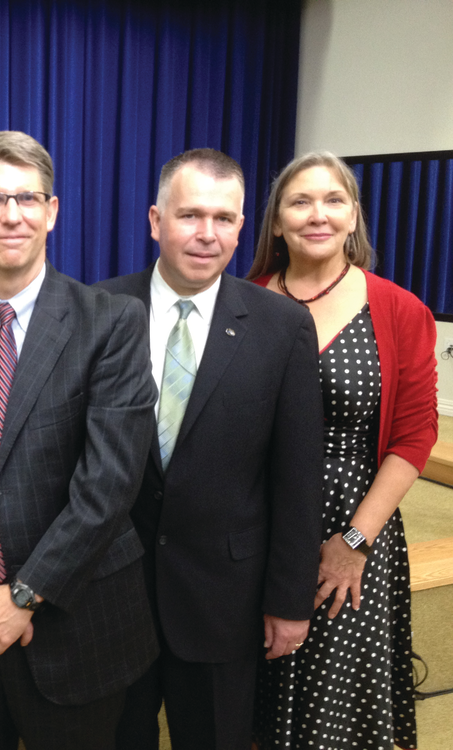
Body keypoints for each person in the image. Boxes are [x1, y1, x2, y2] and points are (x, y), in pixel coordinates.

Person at [0, 130, 159, 750]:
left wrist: (22, 597)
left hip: (78, 629)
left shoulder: (112, 323)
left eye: (28, 198)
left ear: (52, 211)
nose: (11, 215)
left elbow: (109, 483)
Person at [98, 148, 325, 750]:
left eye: (224, 219)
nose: (207, 234)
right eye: (190, 215)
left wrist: (289, 600)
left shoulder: (282, 327)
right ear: (154, 220)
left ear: (242, 227)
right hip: (110, 596)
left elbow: (298, 479)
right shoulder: (97, 311)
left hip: (225, 602)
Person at [247, 151, 438, 750]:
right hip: (255, 525)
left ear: (354, 216)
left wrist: (353, 542)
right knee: (256, 688)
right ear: (276, 221)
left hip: (353, 527)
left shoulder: (399, 310)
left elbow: (413, 437)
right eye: (299, 201)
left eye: (333, 200)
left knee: (337, 705)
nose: (317, 214)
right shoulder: (239, 301)